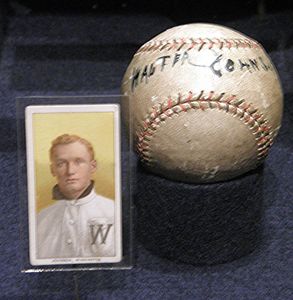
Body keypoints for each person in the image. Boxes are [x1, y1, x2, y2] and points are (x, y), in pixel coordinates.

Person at [37, 134, 115, 259]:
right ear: (52, 170)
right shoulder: (41, 218)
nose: (70, 171)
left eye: (78, 162)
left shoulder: (114, 211)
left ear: (92, 166)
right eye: (61, 164)